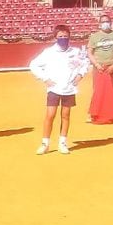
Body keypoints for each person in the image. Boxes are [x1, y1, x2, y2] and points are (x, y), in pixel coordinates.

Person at [30, 25, 89, 155]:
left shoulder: (76, 51)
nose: (63, 38)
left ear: (69, 36)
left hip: (69, 87)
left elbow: (85, 62)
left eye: (65, 36)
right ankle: (45, 143)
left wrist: (80, 75)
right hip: (54, 88)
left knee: (66, 115)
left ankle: (62, 142)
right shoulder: (49, 52)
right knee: (50, 115)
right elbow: (33, 65)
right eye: (60, 36)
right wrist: (45, 78)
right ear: (55, 37)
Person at [86, 13, 113, 124]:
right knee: (97, 91)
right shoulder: (94, 37)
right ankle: (94, 114)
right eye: (103, 22)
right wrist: (97, 65)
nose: (105, 24)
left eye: (107, 21)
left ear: (110, 22)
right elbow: (90, 52)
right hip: (99, 67)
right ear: (100, 24)